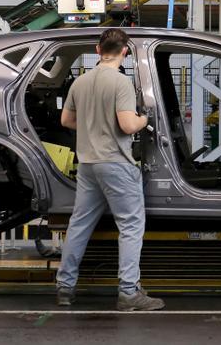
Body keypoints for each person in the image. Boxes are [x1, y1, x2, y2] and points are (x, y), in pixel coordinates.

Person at [55, 28, 164, 311]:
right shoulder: (121, 83)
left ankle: (65, 287)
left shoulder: (80, 82)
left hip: (88, 165)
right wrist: (144, 119)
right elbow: (128, 125)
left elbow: (66, 120)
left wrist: (93, 126)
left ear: (97, 49)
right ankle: (129, 292)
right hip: (116, 164)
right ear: (125, 51)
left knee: (79, 225)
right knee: (130, 226)